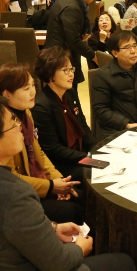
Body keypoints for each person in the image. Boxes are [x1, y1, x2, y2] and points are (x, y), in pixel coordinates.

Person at [0, 94, 136, 271]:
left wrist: (53, 228)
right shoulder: (14, 195)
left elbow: (7, 226)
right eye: (13, 123)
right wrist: (80, 249)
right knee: (125, 265)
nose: (19, 127)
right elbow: (57, 263)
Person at [0, 63, 84, 224]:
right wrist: (51, 186)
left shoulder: (26, 113)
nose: (33, 92)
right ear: (6, 94)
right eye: (26, 88)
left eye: (33, 85)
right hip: (15, 196)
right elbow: (9, 177)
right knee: (73, 209)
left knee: (79, 195)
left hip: (35, 182)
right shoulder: (1, 125)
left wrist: (60, 181)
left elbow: (39, 153)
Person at [32, 47, 96, 180]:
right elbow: (53, 149)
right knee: (98, 174)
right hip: (61, 163)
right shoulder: (41, 106)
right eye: (65, 70)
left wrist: (96, 150)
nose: (71, 74)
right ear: (50, 74)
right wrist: (88, 157)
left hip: (79, 154)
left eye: (71, 69)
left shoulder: (70, 93)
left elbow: (83, 127)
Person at [91, 31, 137, 142]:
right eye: (127, 47)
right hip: (116, 130)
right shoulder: (102, 75)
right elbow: (101, 109)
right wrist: (127, 124)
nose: (133, 51)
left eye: (135, 46)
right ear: (115, 53)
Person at [44, 0, 100, 88]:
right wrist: (93, 55)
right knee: (66, 93)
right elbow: (73, 40)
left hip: (57, 53)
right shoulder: (72, 7)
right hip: (60, 57)